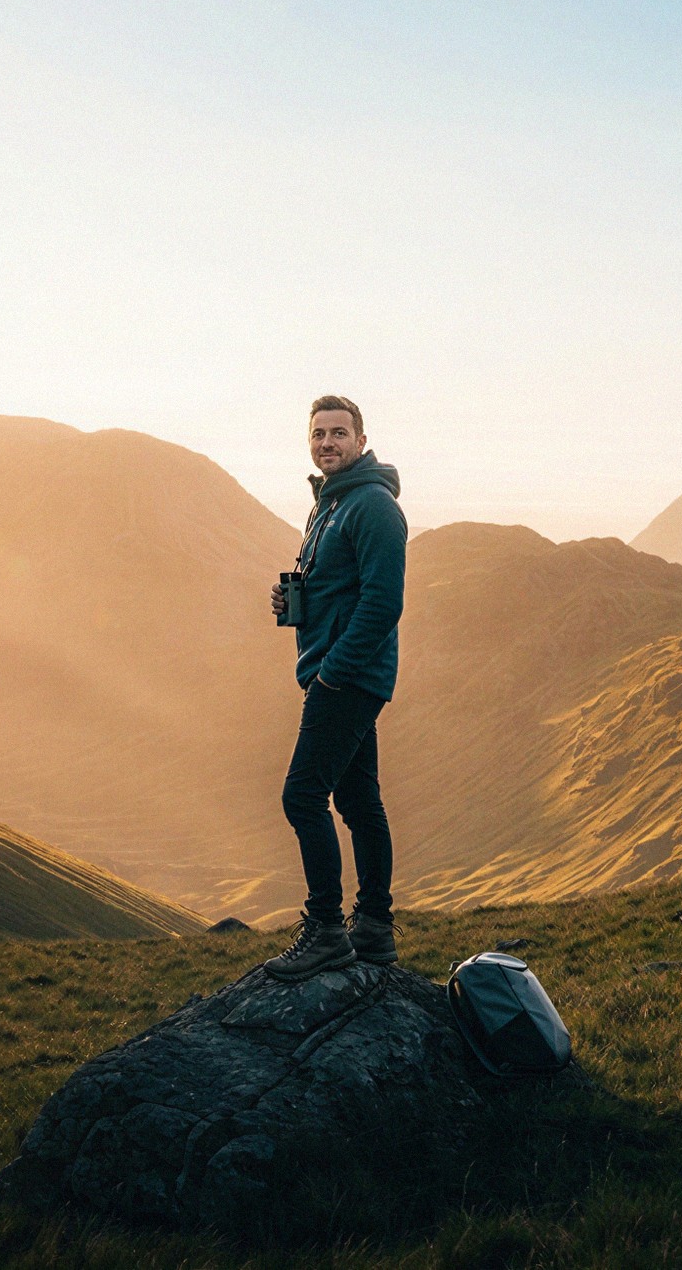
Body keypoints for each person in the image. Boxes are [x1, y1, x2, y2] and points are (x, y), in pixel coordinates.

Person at [264, 396, 408, 980]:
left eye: (338, 433)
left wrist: (332, 671)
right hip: (339, 668)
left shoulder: (372, 505)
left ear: (360, 439)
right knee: (357, 802)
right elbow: (343, 589)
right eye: (319, 434)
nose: (327, 442)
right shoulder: (329, 504)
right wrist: (295, 603)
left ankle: (326, 929)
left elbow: (383, 603)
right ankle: (373, 929)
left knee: (302, 796)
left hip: (346, 676)